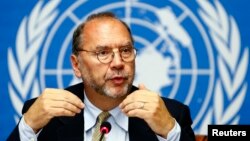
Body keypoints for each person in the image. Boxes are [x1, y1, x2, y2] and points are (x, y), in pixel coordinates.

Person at [7, 11, 195, 141]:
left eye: (126, 50)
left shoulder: (172, 115)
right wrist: (27, 128)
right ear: (76, 65)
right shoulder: (48, 116)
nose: (118, 62)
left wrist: (170, 132)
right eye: (103, 53)